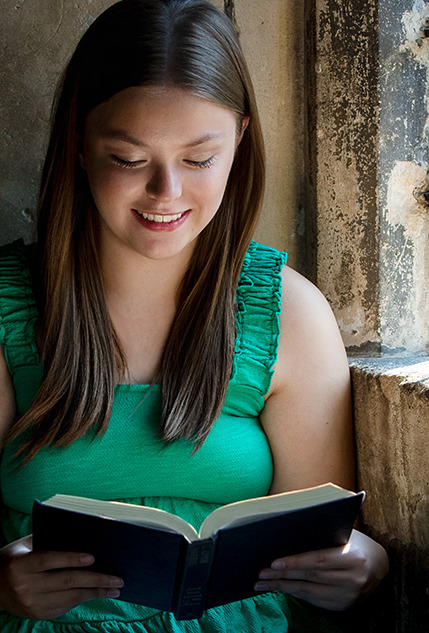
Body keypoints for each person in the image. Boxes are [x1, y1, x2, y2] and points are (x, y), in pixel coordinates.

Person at [0, 0, 389, 630]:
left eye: (199, 159)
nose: (166, 194)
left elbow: (325, 537)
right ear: (77, 140)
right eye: (128, 160)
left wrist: (364, 564)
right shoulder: (10, 307)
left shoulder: (288, 313)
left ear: (238, 139)